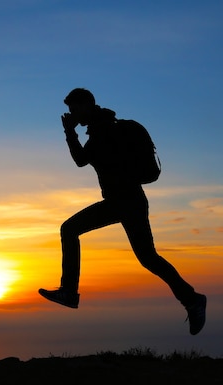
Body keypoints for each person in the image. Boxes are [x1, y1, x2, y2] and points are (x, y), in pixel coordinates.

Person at [38, 88, 207, 335]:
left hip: (123, 201)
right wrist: (73, 131)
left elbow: (81, 160)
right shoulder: (105, 125)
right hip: (131, 201)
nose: (72, 114)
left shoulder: (102, 128)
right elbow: (88, 159)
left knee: (70, 229)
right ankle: (191, 299)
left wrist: (69, 132)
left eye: (74, 109)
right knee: (148, 257)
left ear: (86, 105)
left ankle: (69, 292)